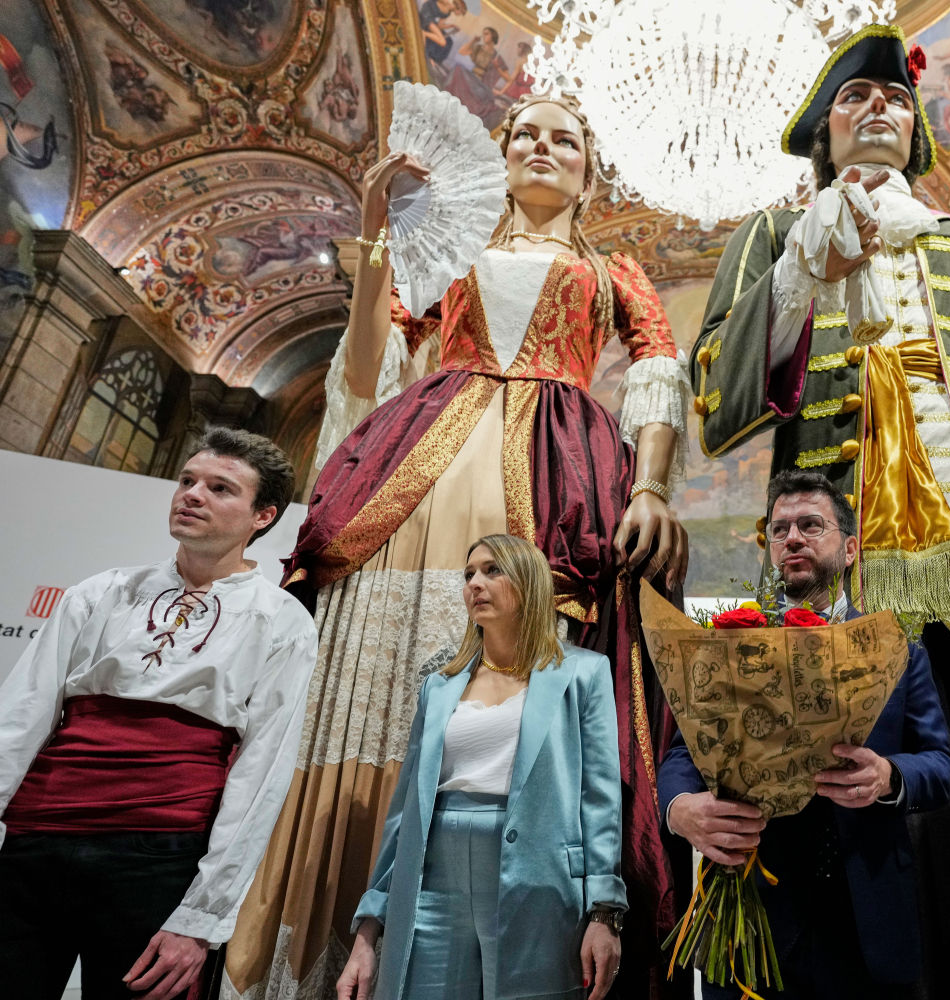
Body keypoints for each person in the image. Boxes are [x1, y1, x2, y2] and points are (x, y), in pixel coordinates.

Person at [229, 94, 689, 998]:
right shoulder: (446, 252)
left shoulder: (615, 271)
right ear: (502, 156)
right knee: (382, 672)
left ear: (589, 171)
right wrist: (376, 237)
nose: (544, 148)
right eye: (527, 135)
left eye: (566, 139)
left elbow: (658, 369)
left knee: (524, 671)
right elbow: (368, 364)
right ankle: (339, 929)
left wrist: (650, 486)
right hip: (421, 458)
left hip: (558, 469)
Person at [690, 23, 950, 993]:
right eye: (855, 99)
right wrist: (799, 277)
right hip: (841, 568)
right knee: (837, 800)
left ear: (916, 130)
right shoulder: (773, 236)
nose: (880, 110)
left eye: (898, 100)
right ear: (823, 130)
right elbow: (718, 400)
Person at [0, 427, 317, 1000]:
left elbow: (262, 773)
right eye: (188, 480)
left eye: (220, 488)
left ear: (263, 515)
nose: (192, 494)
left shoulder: (282, 620)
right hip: (37, 840)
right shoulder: (100, 592)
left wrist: (201, 918)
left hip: (160, 856)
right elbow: (19, 719)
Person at [657, 471, 950, 999]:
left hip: (865, 918)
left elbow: (944, 764)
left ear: (850, 549)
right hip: (753, 917)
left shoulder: (897, 650)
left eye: (810, 525)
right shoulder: (729, 644)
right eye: (779, 530)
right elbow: (685, 753)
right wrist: (679, 808)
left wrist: (889, 775)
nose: (792, 538)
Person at [336, 534, 625, 1000]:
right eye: (469, 573)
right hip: (432, 880)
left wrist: (604, 912)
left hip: (540, 880)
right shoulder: (440, 686)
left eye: (493, 570)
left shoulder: (583, 673)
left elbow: (601, 799)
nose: (475, 583)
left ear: (529, 582)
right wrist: (368, 933)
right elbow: (404, 812)